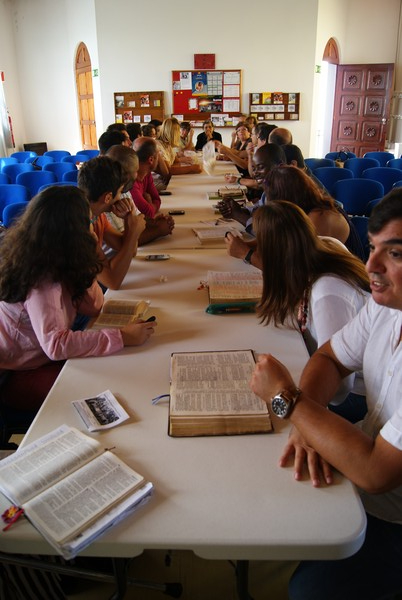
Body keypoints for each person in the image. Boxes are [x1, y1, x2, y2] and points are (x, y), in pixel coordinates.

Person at [250, 188, 402, 600]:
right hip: (370, 464)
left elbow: (375, 474)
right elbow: (330, 357)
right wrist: (306, 418)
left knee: (308, 590)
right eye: (372, 248)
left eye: (396, 254)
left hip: (393, 515)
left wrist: (291, 404)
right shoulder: (386, 307)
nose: (370, 265)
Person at [0, 186, 156, 403]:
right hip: (15, 370)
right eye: (88, 222)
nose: (92, 227)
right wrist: (123, 336)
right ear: (74, 231)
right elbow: (55, 345)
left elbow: (94, 306)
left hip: (40, 353)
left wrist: (87, 257)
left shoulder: (61, 257)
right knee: (102, 387)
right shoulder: (42, 278)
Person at [253, 200, 369, 420]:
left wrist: (284, 393)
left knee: (272, 409)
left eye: (260, 246)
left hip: (360, 395)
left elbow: (339, 390)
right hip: (341, 384)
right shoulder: (319, 248)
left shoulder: (327, 292)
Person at [265, 165, 365, 260]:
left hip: (346, 275)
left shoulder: (319, 216)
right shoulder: (306, 209)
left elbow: (298, 264)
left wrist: (249, 254)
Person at [78, 153, 146, 290]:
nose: (121, 197)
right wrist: (134, 232)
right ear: (108, 197)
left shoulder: (97, 215)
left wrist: (128, 219)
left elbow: (129, 250)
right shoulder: (79, 226)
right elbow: (112, 281)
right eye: (120, 191)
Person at [105, 144, 175, 245]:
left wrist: (153, 222)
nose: (137, 174)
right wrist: (158, 230)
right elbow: (124, 242)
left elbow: (137, 217)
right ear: (123, 172)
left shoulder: (124, 190)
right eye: (135, 170)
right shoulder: (108, 200)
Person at [130, 136, 161, 218]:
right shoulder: (131, 181)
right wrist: (150, 204)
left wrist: (149, 204)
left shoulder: (146, 173)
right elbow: (149, 213)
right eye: (158, 154)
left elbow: (157, 200)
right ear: (151, 159)